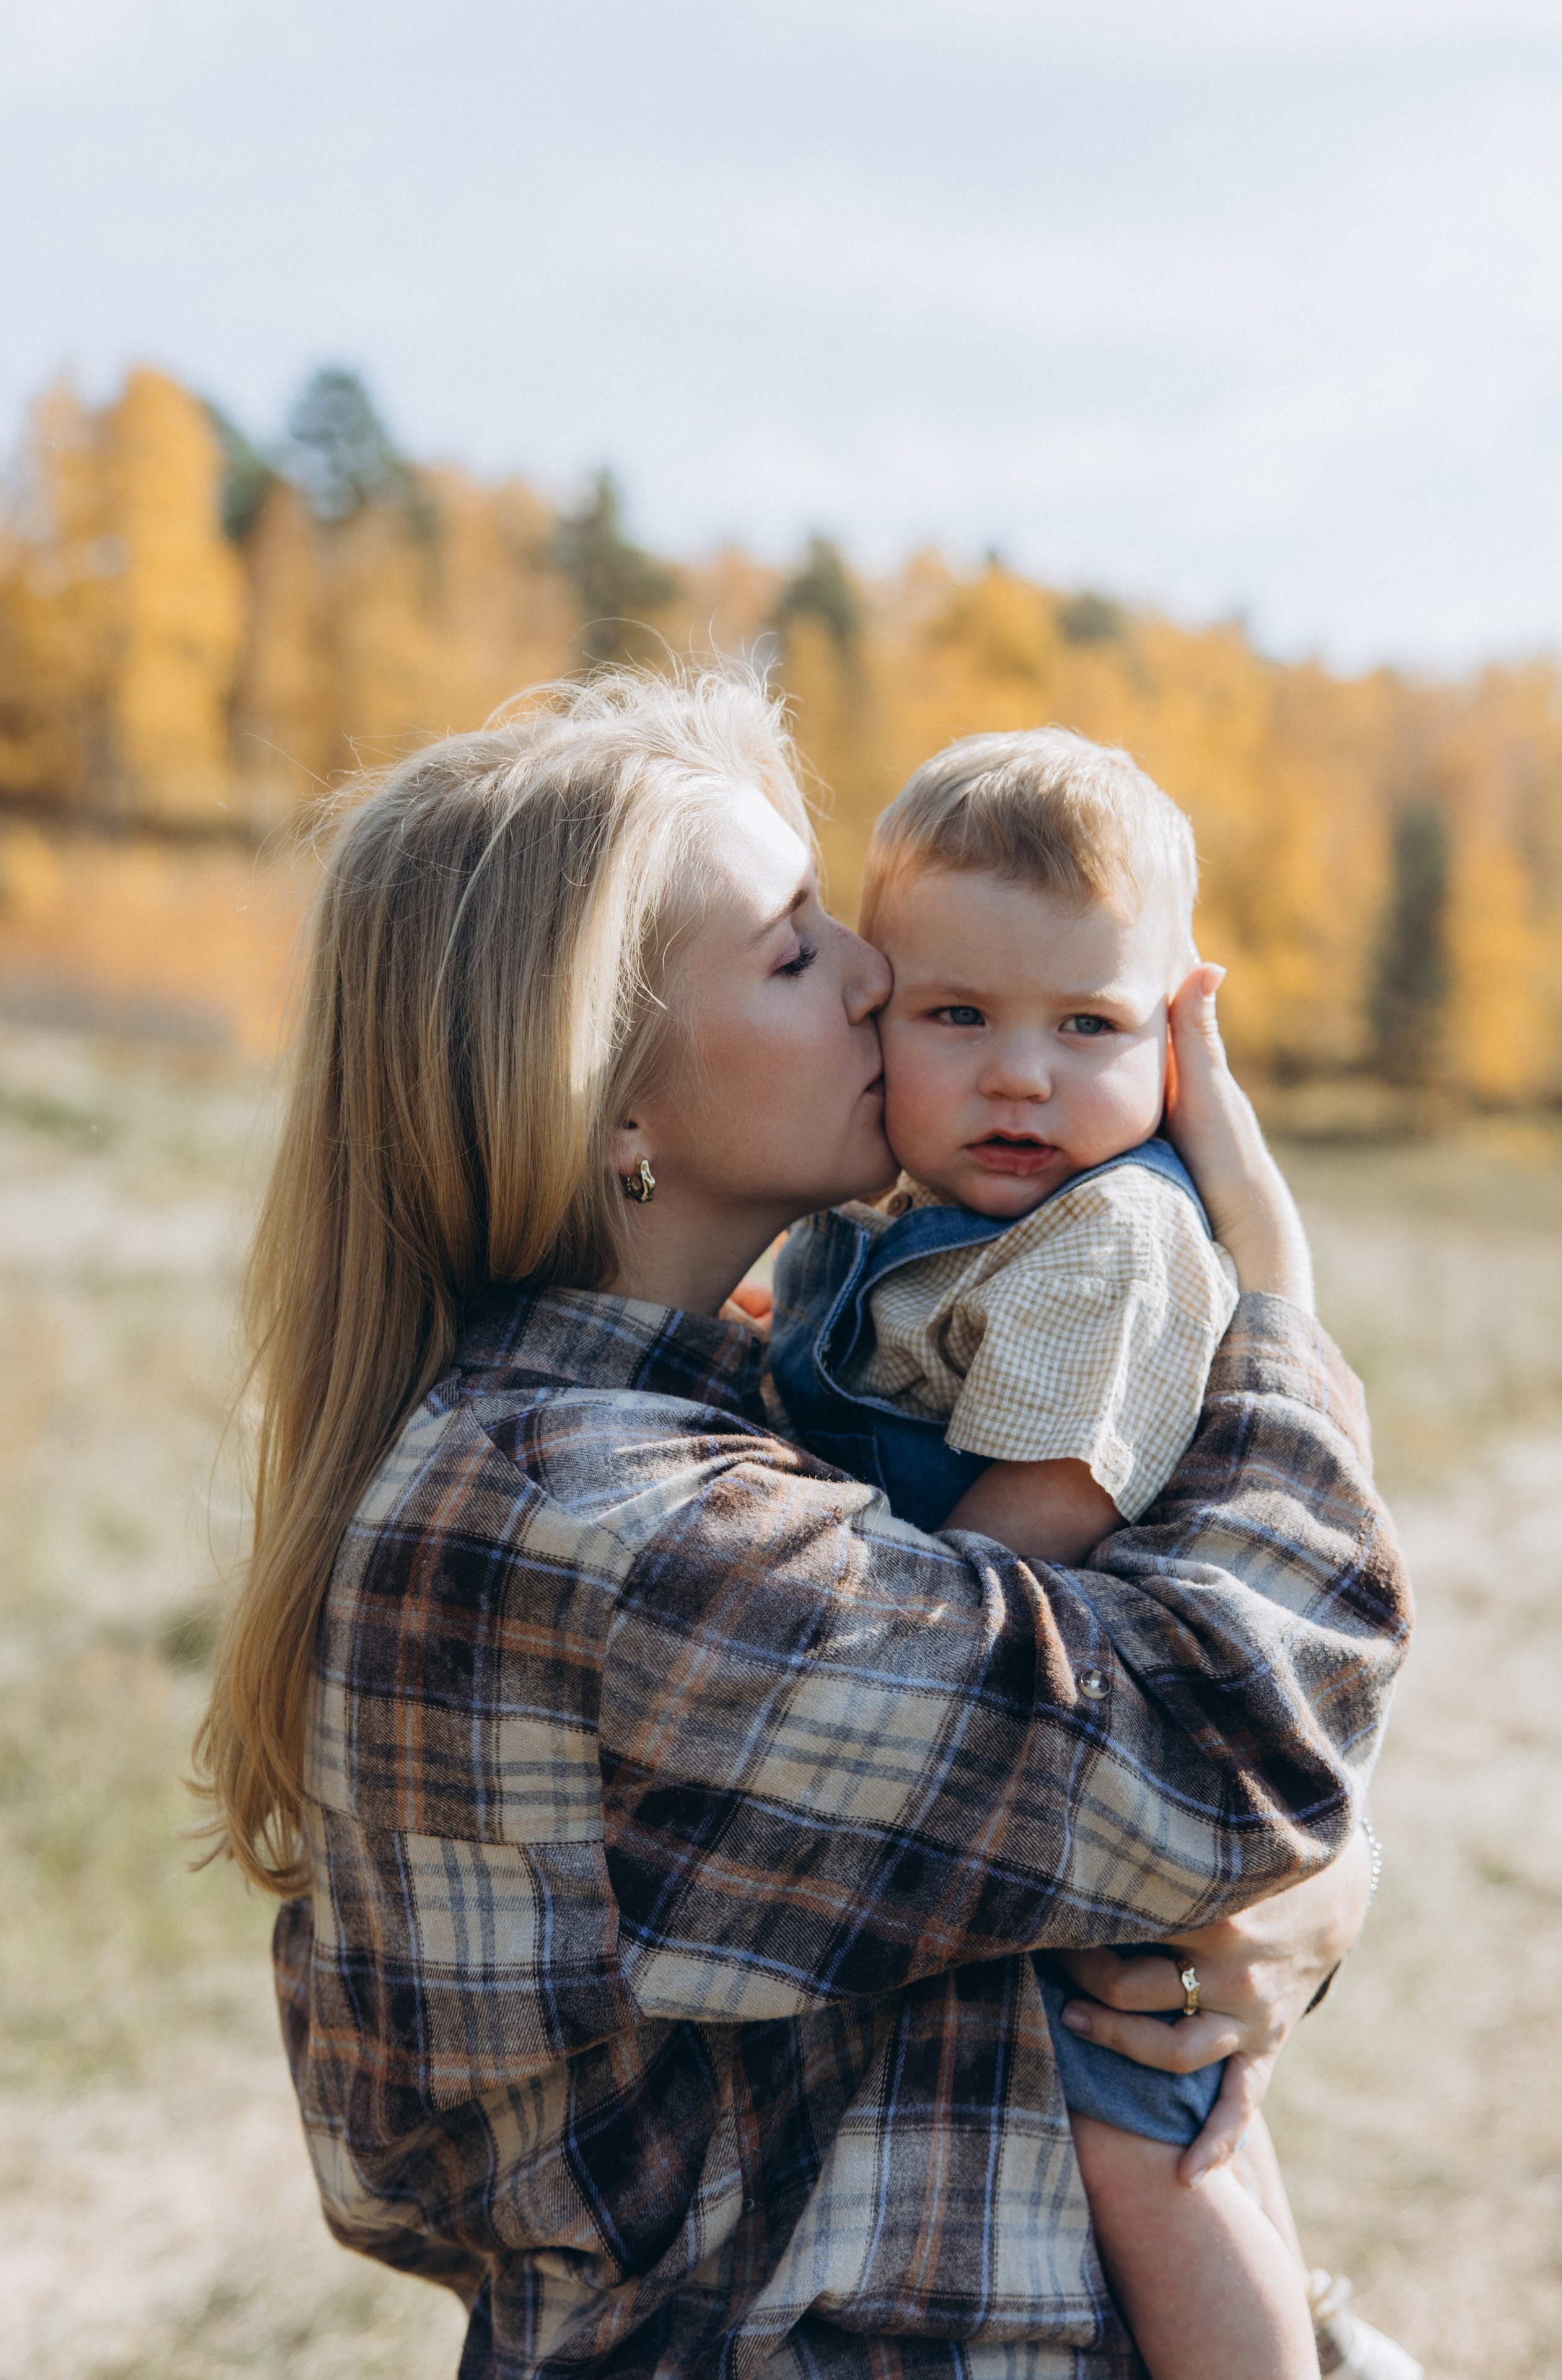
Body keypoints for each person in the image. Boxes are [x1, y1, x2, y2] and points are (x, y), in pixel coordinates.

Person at [196, 669, 1413, 2380]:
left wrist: (1279, 1905)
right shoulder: (597, 1523)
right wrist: (1273, 1304)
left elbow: (1086, 1827)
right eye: (793, 952)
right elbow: (1227, 1756)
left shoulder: (736, 1416)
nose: (874, 978)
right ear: (611, 1097)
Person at [770, 730, 1418, 2379]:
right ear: (874, 1008)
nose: (1020, 1077)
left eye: (1092, 1028)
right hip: (1022, 1764)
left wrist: (853, 1617)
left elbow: (1048, 1507)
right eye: (958, 1016)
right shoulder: (886, 1229)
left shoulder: (1110, 1236)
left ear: (1178, 1046)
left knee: (1161, 2154)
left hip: (1083, 1735)